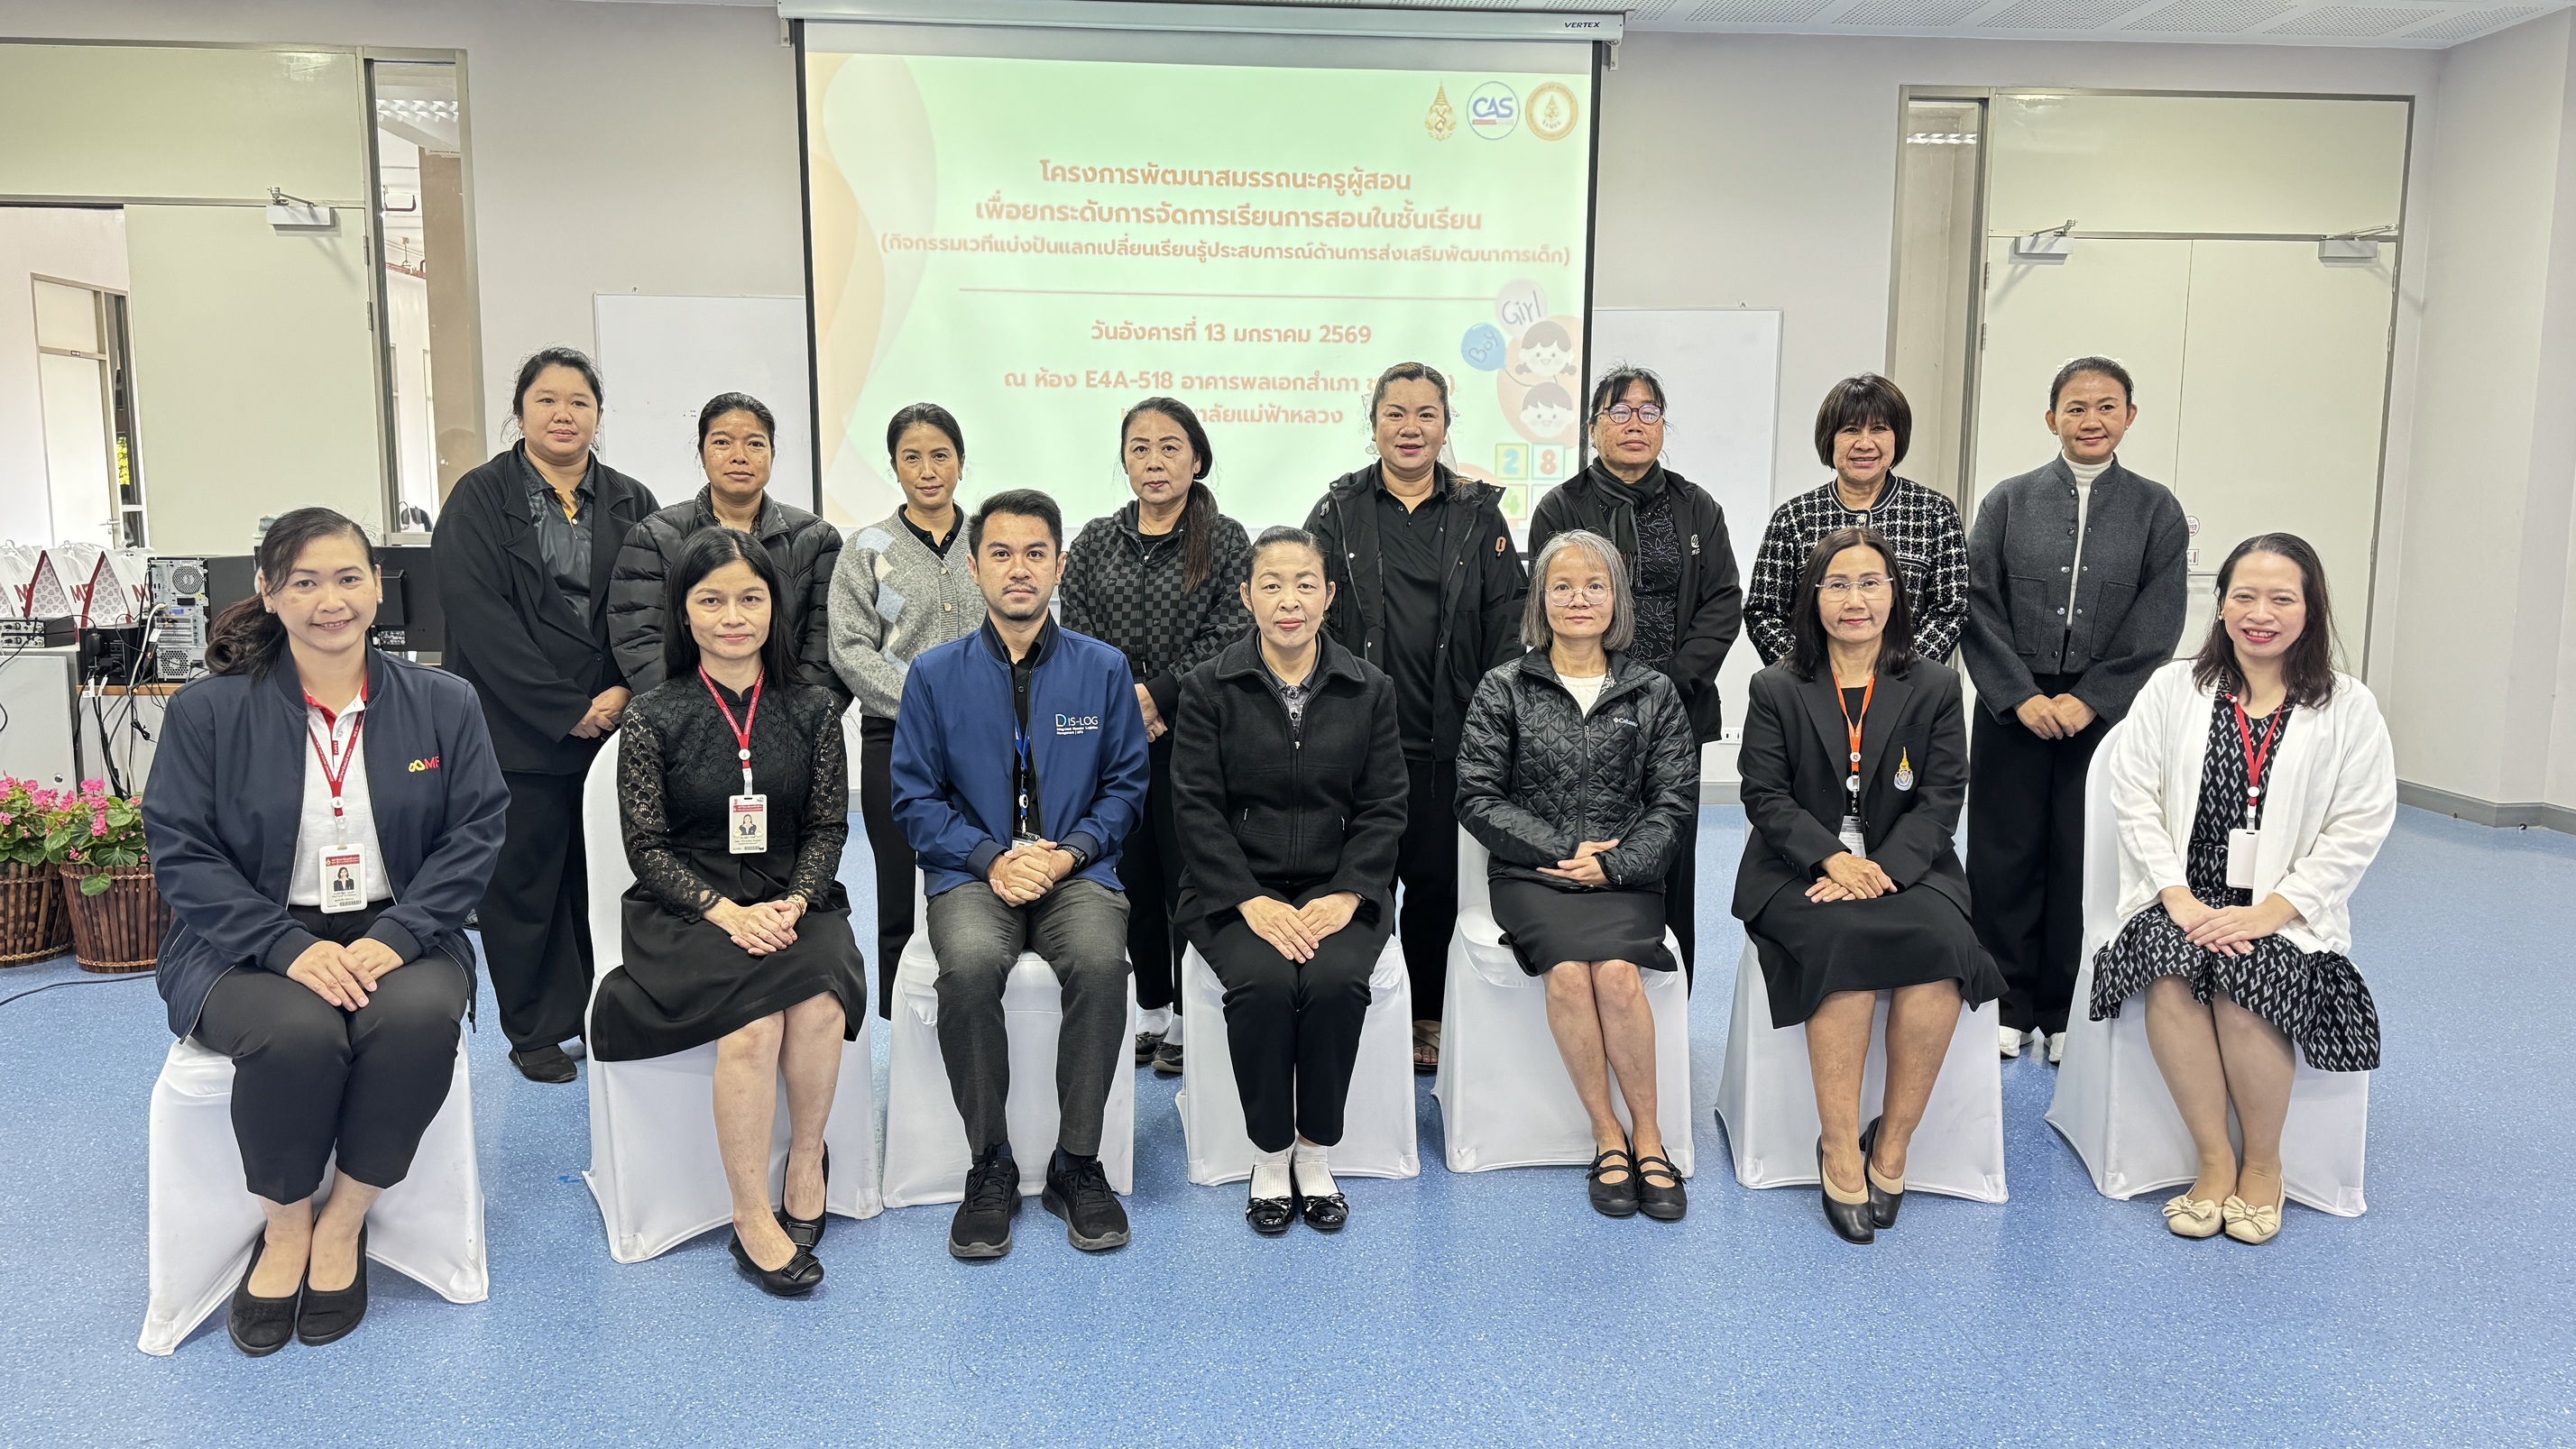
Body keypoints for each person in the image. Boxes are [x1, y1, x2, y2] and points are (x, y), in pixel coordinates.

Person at [143, 508, 508, 1355]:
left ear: (379, 587)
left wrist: (405, 930)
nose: (329, 600)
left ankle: (344, 1219)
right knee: (297, 1033)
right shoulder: (208, 712)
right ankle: (285, 1226)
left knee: (416, 1020)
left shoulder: (443, 702)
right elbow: (182, 851)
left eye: (347, 578)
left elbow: (477, 831)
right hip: (245, 938)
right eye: (303, 582)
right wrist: (286, 947)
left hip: (400, 926)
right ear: (268, 593)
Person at [2088, 534, 2394, 1245]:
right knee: (2168, 963)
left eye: (2282, 598)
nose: (2261, 613)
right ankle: (2214, 1160)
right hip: (2180, 896)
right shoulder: (2174, 688)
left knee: (2247, 969)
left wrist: (2270, 912)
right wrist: (2176, 896)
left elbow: (2359, 824)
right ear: (2221, 605)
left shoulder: (2349, 707)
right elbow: (2133, 797)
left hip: (2284, 908)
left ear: (2311, 609)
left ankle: (2262, 1165)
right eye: (2244, 596)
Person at [591, 528, 866, 1295]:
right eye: (711, 600)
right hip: (686, 908)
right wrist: (726, 913)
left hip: (794, 894)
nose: (733, 616)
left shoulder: (814, 708)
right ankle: (750, 1213)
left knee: (819, 1000)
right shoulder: (653, 714)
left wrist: (796, 900)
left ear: (775, 607)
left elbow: (827, 827)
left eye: (750, 597)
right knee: (752, 1023)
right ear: (684, 613)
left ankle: (806, 1159)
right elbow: (646, 847)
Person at [891, 489, 1151, 1261]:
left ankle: (1078, 1162)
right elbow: (914, 798)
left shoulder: (1104, 669)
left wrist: (1067, 854)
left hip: (1078, 868)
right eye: (1000, 553)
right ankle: (990, 1163)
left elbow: (1126, 786)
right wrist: (990, 858)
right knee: (970, 965)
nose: (1018, 568)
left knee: (1101, 962)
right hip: (972, 871)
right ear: (974, 567)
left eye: (1035, 553)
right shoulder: (932, 674)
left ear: (1059, 565)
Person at [1733, 527, 2002, 1245]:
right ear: (1813, 598)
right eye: (1838, 585)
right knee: (1842, 943)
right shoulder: (1776, 686)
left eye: (1871, 583)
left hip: (1906, 862)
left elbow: (1941, 796)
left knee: (1944, 949)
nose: (1856, 600)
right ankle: (1839, 1148)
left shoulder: (1935, 685)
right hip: (1798, 866)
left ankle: (1893, 1145)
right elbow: (1765, 795)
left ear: (1895, 595)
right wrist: (1831, 859)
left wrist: (1881, 870)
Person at [1169, 526, 1407, 1234]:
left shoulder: (1370, 689)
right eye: (1271, 585)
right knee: (1265, 983)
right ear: (1247, 596)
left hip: (1341, 887)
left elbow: (1385, 805)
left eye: (1305, 584)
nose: (1289, 600)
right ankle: (1270, 1156)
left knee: (1333, 982)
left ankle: (1315, 1151)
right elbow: (1195, 809)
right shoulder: (1208, 687)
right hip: (1234, 888)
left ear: (1329, 595)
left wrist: (1348, 892)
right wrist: (1249, 899)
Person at [1456, 529, 1699, 1222]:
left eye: (1594, 585)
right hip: (1533, 875)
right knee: (1567, 973)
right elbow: (1476, 795)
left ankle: (1649, 1136)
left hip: (1626, 878)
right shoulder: (1504, 686)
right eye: (1561, 586)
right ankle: (1607, 1135)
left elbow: (1674, 800)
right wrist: (1565, 850)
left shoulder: (1653, 691)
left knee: (1617, 974)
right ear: (1541, 599)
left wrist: (1615, 863)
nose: (1578, 599)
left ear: (1616, 598)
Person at [433, 347, 658, 1083]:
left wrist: (624, 690)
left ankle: (604, 1009)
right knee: (523, 883)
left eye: (579, 402)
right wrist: (565, 708)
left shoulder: (632, 499)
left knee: (607, 877)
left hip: (615, 725)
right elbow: (479, 619)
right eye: (547, 400)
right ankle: (534, 1027)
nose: (564, 414)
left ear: (598, 414)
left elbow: (656, 606)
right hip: (516, 728)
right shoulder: (478, 499)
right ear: (520, 412)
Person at [1963, 357, 2188, 1064]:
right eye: (2077, 407)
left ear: (2130, 416)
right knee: (2002, 854)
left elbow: (2159, 619)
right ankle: (2003, 1002)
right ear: (2052, 416)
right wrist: (2021, 695)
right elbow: (1977, 602)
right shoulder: (2007, 500)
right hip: (2013, 703)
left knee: (2084, 855)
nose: (2092, 420)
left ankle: (2067, 1008)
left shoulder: (2156, 510)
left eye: (2107, 406)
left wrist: (2092, 699)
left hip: (2105, 713)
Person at [1305, 362, 1527, 1074]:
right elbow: (1305, 611)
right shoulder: (1337, 510)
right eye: (1394, 413)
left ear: (1445, 425)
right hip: (1357, 736)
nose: (1410, 427)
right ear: (1373, 425)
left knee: (1435, 885)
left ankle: (1426, 1012)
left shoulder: (1478, 514)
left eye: (1425, 414)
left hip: (1448, 735)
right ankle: (1369, 1005)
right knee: (1362, 878)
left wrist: (1492, 723)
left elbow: (1507, 624)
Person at [1061, 397, 1254, 1078]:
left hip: (1197, 735)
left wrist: (1160, 696)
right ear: (1124, 460)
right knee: (1130, 876)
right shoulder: (1095, 540)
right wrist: (1127, 703)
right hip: (1113, 740)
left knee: (1188, 879)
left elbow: (1232, 630)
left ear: (1196, 459)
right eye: (1139, 448)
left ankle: (1191, 1013)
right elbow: (1077, 628)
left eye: (1170, 447)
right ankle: (1150, 1006)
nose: (1154, 461)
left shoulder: (1226, 539)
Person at [1529, 366, 1741, 981]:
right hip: (1584, 710)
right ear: (1593, 427)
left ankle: (1671, 989)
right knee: (1592, 843)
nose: (1635, 424)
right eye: (1619, 412)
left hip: (1677, 706)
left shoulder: (1696, 506)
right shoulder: (1562, 506)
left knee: (1673, 850)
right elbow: (1547, 603)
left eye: (1649, 412)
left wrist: (1668, 684)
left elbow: (1723, 601)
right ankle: (1595, 973)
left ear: (1663, 426)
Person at [829, 403, 983, 1020]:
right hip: (894, 738)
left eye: (940, 455)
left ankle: (975, 1005)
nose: (927, 469)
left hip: (987, 738)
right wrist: (926, 707)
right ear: (894, 467)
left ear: (961, 463)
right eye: (911, 457)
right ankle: (903, 1027)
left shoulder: (989, 541)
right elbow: (849, 648)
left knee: (978, 871)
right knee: (898, 884)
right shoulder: (866, 548)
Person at [607, 392, 844, 702]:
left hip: (792, 716)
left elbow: (827, 644)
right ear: (702, 453)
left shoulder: (816, 538)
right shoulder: (654, 537)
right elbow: (639, 641)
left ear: (772, 454)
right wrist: (697, 714)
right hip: (687, 717)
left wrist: (795, 715)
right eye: (722, 442)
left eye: (755, 444)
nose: (739, 456)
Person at [1745, 373, 1967, 666]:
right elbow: (1763, 612)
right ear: (1829, 438)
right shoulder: (1794, 518)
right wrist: (1811, 674)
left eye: (1879, 429)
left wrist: (1903, 673)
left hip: (1908, 684)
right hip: (1810, 684)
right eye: (1851, 430)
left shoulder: (1934, 513)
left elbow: (1951, 609)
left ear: (1898, 437)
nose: (1865, 443)